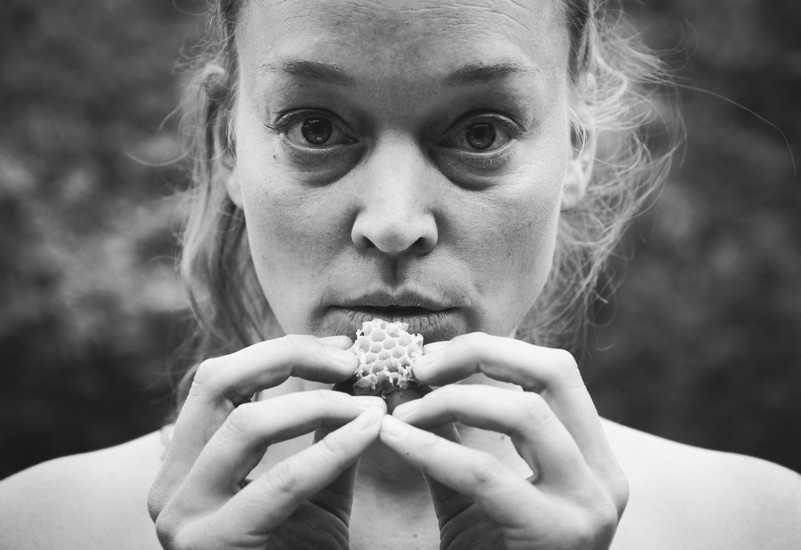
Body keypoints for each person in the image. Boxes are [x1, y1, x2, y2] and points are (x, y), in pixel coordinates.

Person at [1, 0, 800, 548]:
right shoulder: (32, 527)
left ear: (576, 145)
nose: (391, 223)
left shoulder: (763, 527)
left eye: (481, 131)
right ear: (226, 145)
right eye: (314, 127)